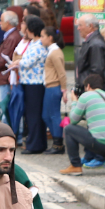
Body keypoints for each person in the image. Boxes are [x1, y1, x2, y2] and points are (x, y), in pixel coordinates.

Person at [60, 75, 105, 176]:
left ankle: (75, 166)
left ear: (88, 86)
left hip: (100, 145)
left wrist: (75, 101)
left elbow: (73, 120)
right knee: (101, 132)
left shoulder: (86, 96)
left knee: (69, 129)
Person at [16, 16, 49, 154]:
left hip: (35, 84)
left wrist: (16, 63)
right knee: (32, 115)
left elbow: (27, 62)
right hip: (29, 82)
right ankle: (36, 143)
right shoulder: (33, 43)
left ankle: (35, 144)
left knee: (34, 115)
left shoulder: (38, 45)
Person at [0, 10, 23, 122]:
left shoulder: (12, 37)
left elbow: (3, 59)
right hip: (4, 76)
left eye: (1, 20)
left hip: (6, 77)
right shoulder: (10, 36)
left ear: (8, 22)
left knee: (6, 108)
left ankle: (7, 134)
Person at [41, 24, 67, 154]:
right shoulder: (52, 51)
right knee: (46, 115)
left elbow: (61, 73)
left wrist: (64, 89)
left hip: (54, 86)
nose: (41, 39)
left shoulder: (55, 52)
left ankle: (58, 144)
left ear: (50, 38)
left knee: (53, 115)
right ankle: (57, 139)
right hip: (50, 86)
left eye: (43, 36)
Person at [74, 15, 105, 96]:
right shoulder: (92, 41)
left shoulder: (95, 44)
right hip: (90, 89)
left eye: (80, 25)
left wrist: (88, 89)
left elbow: (97, 71)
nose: (78, 28)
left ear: (90, 26)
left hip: (93, 91)